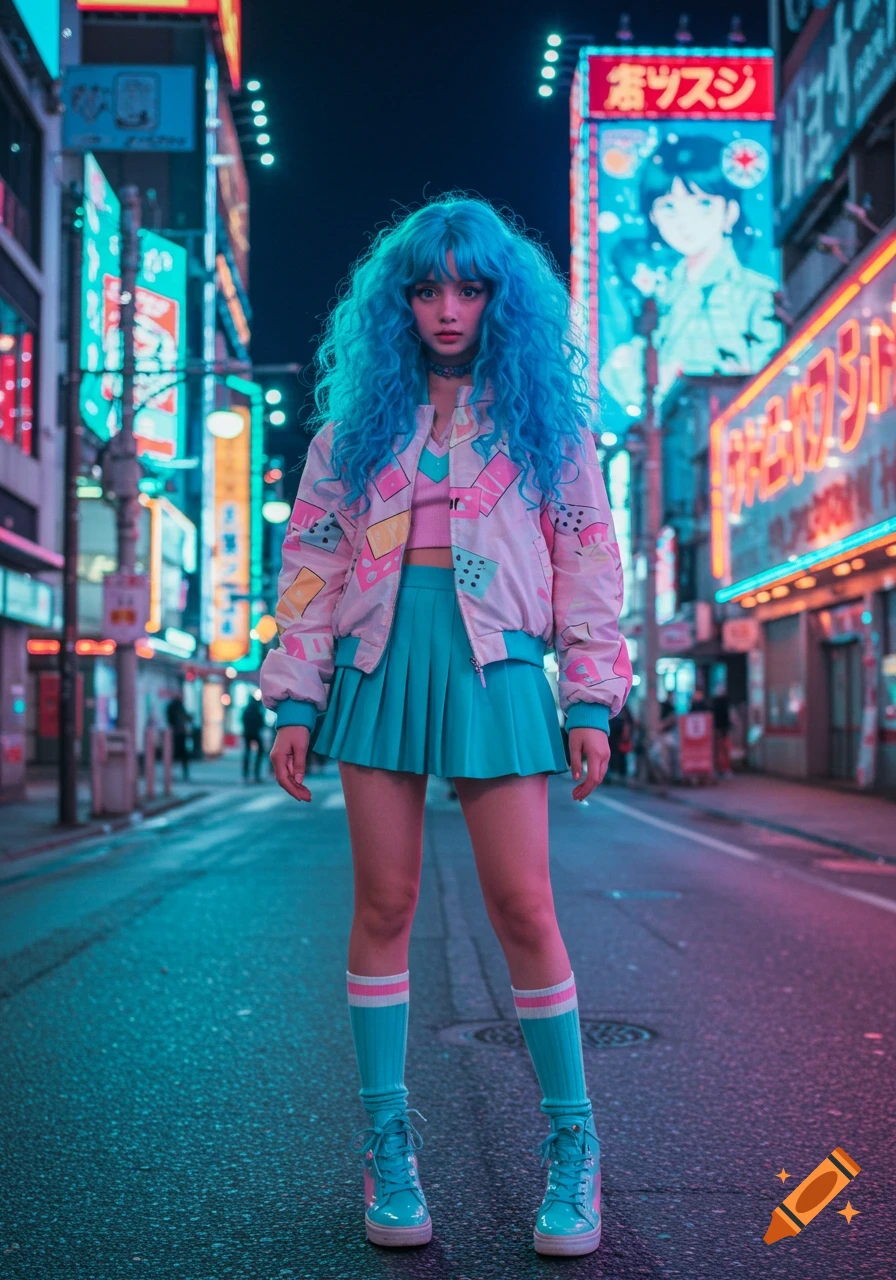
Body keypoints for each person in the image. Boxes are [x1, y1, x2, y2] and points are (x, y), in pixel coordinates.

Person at [261, 197, 631, 1259]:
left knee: (523, 901)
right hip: (378, 664)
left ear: (500, 298)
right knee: (383, 900)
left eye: (467, 287)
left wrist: (591, 697)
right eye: (425, 288)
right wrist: (294, 690)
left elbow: (585, 564)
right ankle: (386, 1146)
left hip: (499, 663)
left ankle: (574, 1144)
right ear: (399, 303)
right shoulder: (353, 432)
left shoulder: (544, 429)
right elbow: (313, 567)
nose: (446, 308)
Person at [600, 132, 780, 417]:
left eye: (703, 204)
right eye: (669, 207)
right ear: (653, 218)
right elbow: (622, 377)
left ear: (730, 212)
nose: (686, 221)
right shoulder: (662, 295)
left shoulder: (756, 291)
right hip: (673, 436)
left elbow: (773, 372)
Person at [241, 694, 267, 783]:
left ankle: (245, 775)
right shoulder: (257, 709)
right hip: (255, 733)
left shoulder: (246, 709)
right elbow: (261, 721)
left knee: (247, 753)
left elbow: (242, 719)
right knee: (260, 751)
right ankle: (256, 774)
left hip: (247, 733)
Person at [165, 695, 191, 781]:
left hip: (175, 733)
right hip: (180, 733)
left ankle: (171, 773)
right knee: (182, 755)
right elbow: (186, 718)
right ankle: (182, 772)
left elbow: (170, 720)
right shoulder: (179, 708)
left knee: (175, 755)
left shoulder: (172, 707)